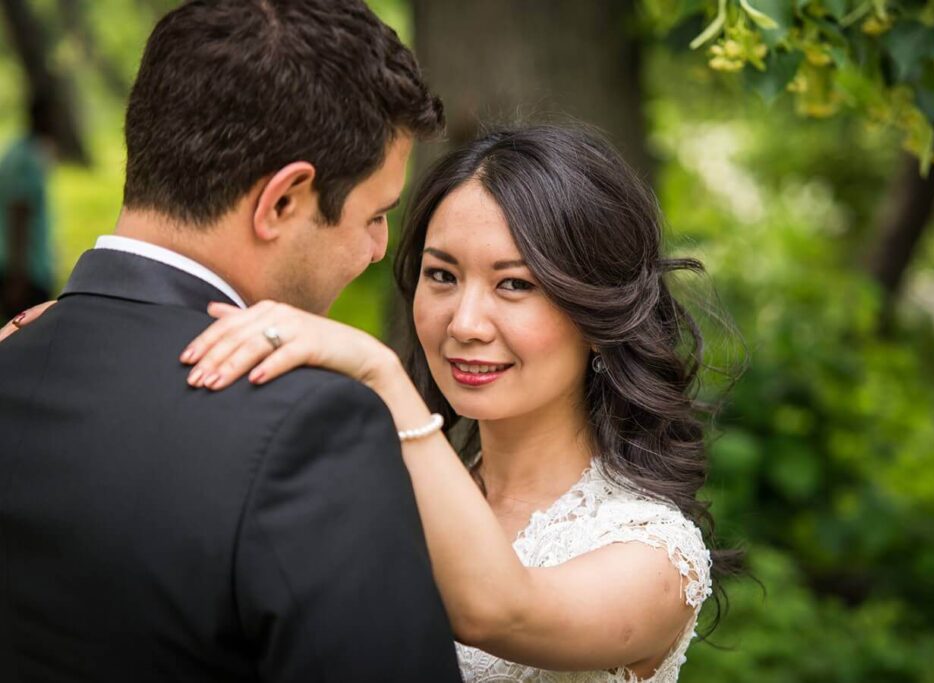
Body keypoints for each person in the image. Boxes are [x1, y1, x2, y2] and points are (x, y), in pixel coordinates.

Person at [111, 125, 741, 681]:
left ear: (597, 314)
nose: (464, 322)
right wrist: (106, 332)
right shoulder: (377, 485)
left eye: (514, 284)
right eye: (441, 275)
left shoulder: (655, 553)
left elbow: (497, 609)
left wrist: (383, 376)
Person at [0, 1, 461, 681]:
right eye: (375, 214)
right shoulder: (311, 426)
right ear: (282, 202)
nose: (376, 250)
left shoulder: (12, 360)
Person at [0, 96, 57, 321]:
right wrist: (18, 278)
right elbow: (18, 215)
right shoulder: (26, 159)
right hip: (26, 273)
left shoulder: (25, 151)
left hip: (25, 269)